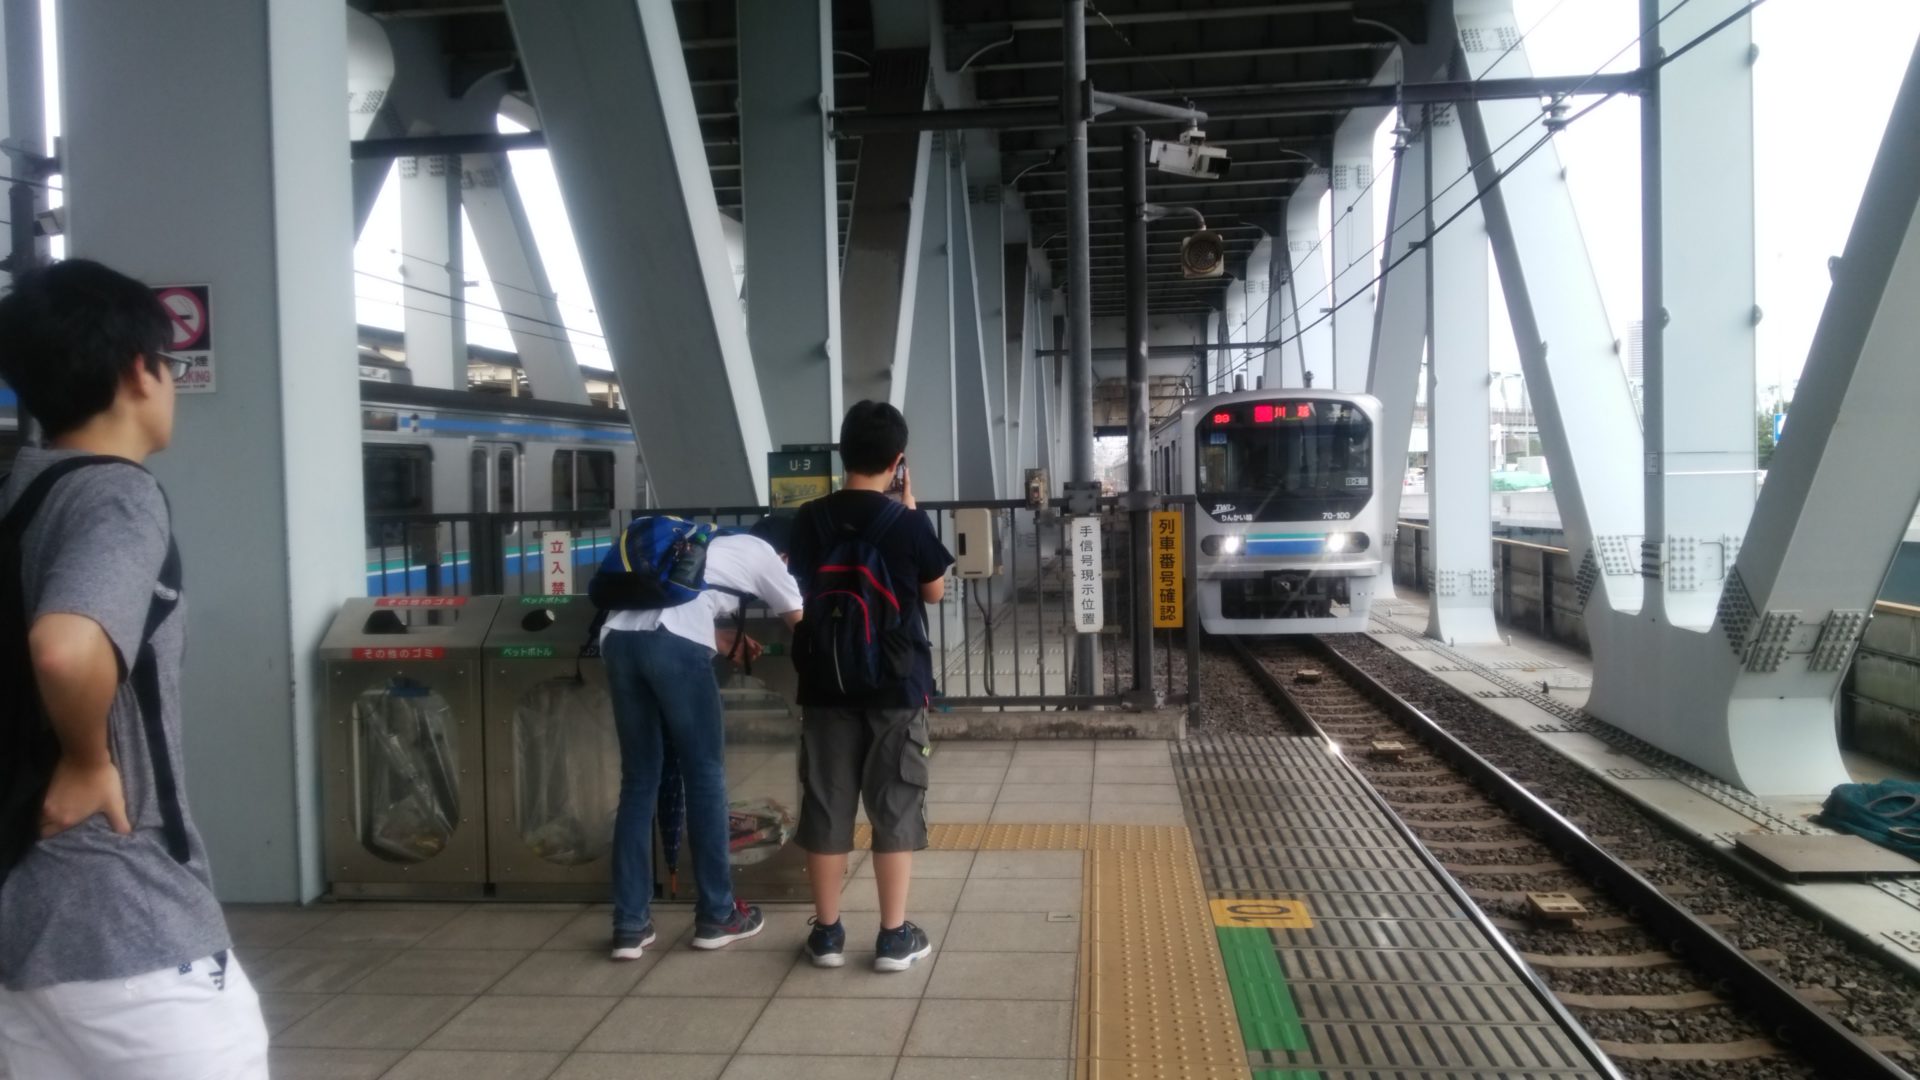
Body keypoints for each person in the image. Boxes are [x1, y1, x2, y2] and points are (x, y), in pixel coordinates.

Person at [0, 260, 268, 1078]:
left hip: (24, 916)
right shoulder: (118, 494)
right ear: (137, 370)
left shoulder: (20, 493)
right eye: (170, 363)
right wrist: (89, 760)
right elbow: (63, 646)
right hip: (126, 917)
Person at [787, 400, 954, 972]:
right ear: (897, 460)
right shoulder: (907, 524)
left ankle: (827, 935)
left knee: (826, 804)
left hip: (825, 683)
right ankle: (892, 937)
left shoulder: (810, 519)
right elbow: (934, 593)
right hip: (895, 687)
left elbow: (801, 584)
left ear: (843, 453)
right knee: (895, 804)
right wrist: (909, 511)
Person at [600, 514, 804, 959]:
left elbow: (673, 600)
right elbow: (802, 625)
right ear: (786, 554)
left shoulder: (709, 542)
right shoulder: (766, 556)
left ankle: (629, 925)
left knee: (638, 781)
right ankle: (717, 913)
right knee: (705, 776)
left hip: (617, 641)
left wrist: (717, 632)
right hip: (674, 647)